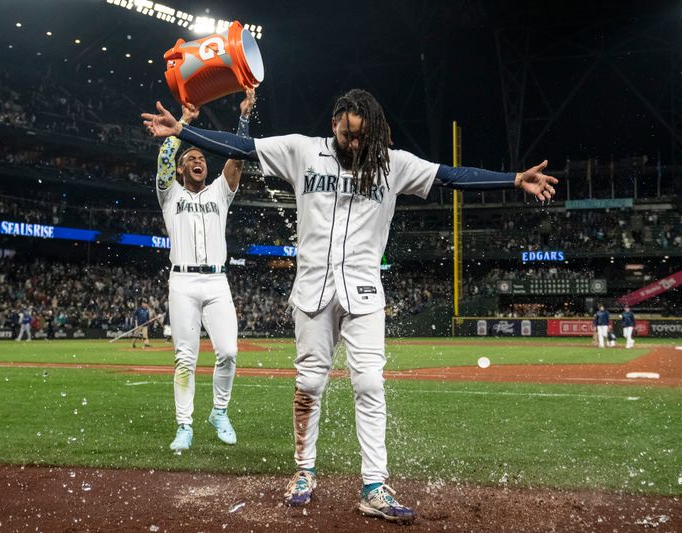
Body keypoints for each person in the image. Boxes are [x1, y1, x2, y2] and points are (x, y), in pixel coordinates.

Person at [142, 88, 558, 523]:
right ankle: (304, 472)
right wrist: (184, 131)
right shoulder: (303, 151)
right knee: (309, 386)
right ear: (334, 125)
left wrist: (513, 180)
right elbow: (242, 148)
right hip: (312, 291)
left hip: (363, 293)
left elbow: (450, 176)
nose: (354, 143)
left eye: (362, 136)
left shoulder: (392, 163)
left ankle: (374, 486)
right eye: (347, 135)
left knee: (370, 384)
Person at [159, 88, 256, 452]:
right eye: (192, 157)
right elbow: (164, 161)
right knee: (185, 358)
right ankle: (184, 425)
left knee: (228, 351)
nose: (199, 160)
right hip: (182, 281)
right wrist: (182, 124)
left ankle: (219, 412)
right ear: (182, 169)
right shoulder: (170, 194)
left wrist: (244, 116)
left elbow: (239, 155)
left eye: (202, 156)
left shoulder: (219, 192)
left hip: (217, 281)